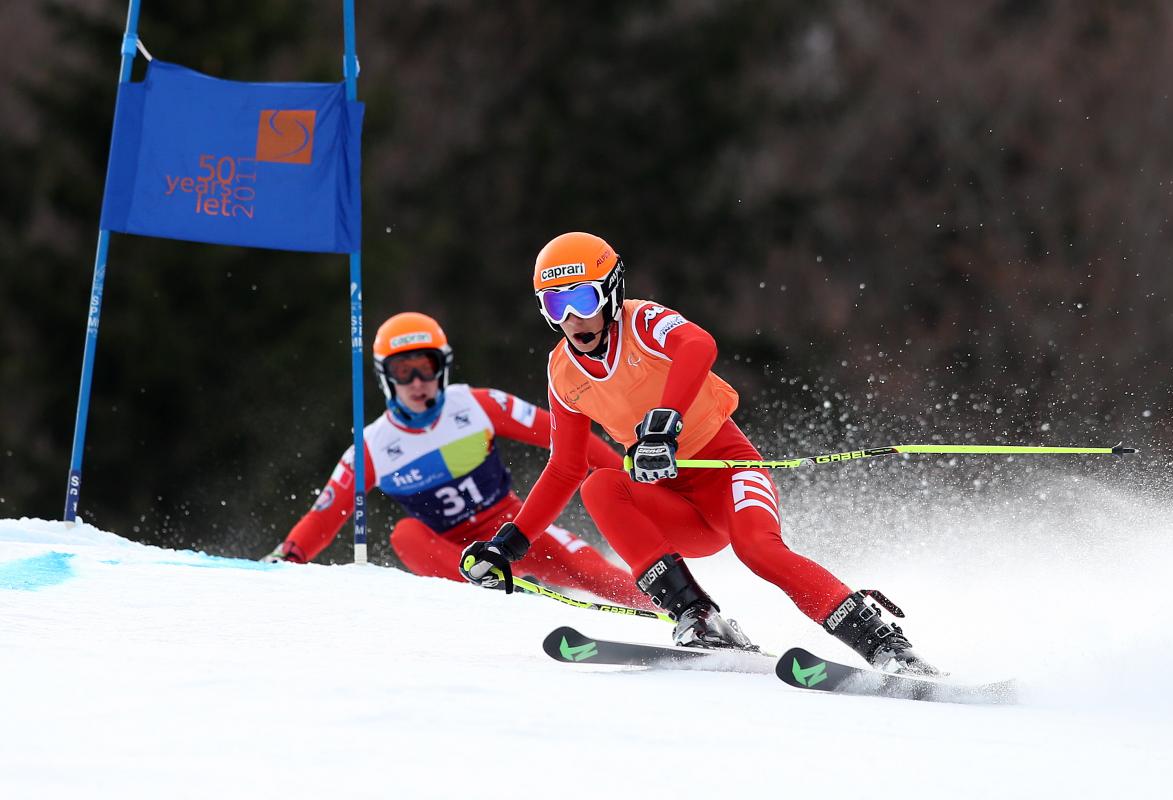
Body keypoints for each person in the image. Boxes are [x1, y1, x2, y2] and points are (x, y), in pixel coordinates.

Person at [459, 232, 937, 675]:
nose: (572, 318)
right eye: (555, 304)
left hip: (727, 469)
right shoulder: (563, 371)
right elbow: (564, 465)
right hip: (671, 500)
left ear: (609, 292)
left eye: (582, 299)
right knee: (600, 486)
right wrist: (509, 545)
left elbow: (698, 344)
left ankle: (883, 642)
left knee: (758, 550)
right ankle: (697, 614)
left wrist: (666, 420)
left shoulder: (642, 321)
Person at [264, 311, 645, 608]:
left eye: (425, 367)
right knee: (405, 534)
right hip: (453, 554)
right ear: (385, 377)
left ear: (441, 367)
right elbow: (324, 515)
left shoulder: (476, 405)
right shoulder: (372, 447)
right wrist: (288, 556)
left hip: (511, 531)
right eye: (403, 370)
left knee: (593, 572)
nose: (416, 382)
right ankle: (498, 598)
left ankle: (682, 612)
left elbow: (567, 437)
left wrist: (626, 477)